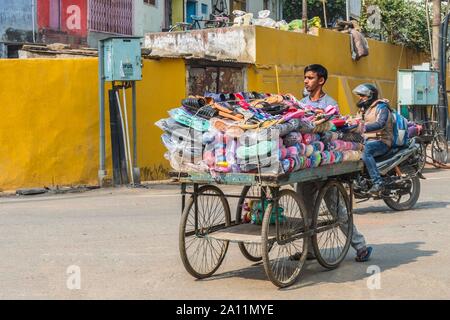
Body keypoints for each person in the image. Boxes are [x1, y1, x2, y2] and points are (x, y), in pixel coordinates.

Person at [294, 64, 373, 263]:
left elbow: (332, 133)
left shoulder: (330, 103)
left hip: (324, 166)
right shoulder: (300, 103)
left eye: (310, 77)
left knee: (337, 209)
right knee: (306, 211)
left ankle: (360, 245)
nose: (306, 81)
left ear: (321, 80)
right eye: (305, 77)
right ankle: (310, 250)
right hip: (306, 164)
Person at [352, 83, 393, 195]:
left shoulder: (382, 107)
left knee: (366, 150)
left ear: (370, 96)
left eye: (362, 95)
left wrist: (363, 127)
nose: (360, 98)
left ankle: (378, 182)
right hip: (365, 140)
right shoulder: (363, 109)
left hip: (381, 141)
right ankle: (357, 181)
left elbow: (381, 124)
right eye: (359, 95)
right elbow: (356, 121)